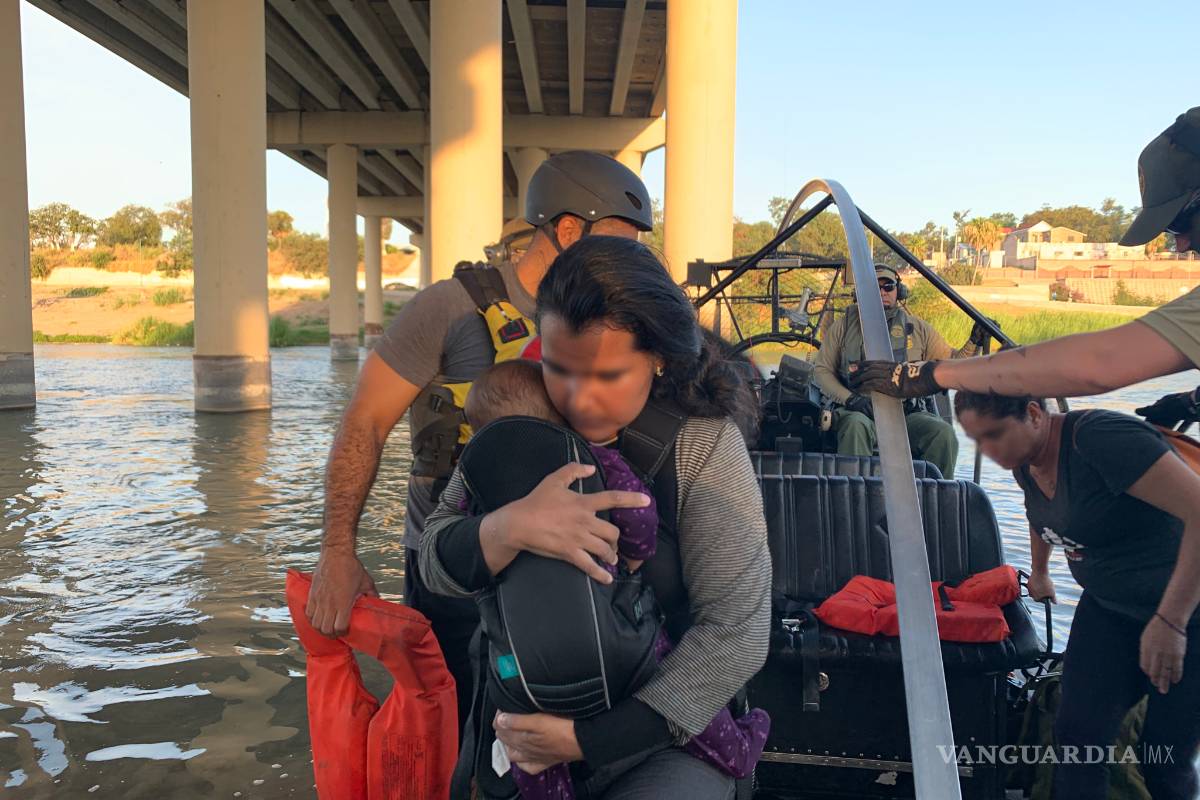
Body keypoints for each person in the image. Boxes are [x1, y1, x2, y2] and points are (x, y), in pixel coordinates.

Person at [303, 151, 654, 737]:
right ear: (569, 231)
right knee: (455, 731)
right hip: (453, 571)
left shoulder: (613, 319)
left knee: (554, 733)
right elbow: (365, 421)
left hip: (565, 574)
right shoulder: (449, 308)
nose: (629, 263)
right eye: (620, 244)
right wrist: (338, 550)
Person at [418, 235, 771, 799]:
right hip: (525, 728)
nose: (578, 400)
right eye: (558, 369)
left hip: (663, 735)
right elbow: (435, 564)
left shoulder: (703, 447)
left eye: (608, 377)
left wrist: (587, 740)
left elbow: (738, 632)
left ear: (658, 359)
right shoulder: (522, 421)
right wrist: (505, 529)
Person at [460, 359, 769, 800]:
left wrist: (494, 535)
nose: (581, 396)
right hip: (619, 638)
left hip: (527, 663)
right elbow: (638, 512)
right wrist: (634, 555)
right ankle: (736, 749)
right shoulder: (588, 460)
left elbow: (737, 635)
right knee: (666, 675)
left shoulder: (482, 476)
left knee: (529, 754)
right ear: (553, 416)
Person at [848, 108, 1200, 407]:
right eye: (1173, 230)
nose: (1182, 245)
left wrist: (928, 374)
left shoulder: (918, 329)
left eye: (1180, 222)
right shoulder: (844, 329)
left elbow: (1100, 361)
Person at [953, 391, 1200, 799]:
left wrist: (1171, 621)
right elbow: (1039, 513)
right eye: (977, 440)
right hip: (1108, 607)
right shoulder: (1024, 458)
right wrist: (1041, 571)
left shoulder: (1100, 438)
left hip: (1186, 616)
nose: (989, 451)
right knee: (1076, 739)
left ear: (1034, 414)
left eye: (994, 435)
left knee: (1165, 759)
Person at [812, 264, 987, 477]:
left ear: (899, 291)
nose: (882, 292)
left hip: (906, 414)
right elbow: (822, 372)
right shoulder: (843, 326)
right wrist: (851, 400)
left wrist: (974, 341)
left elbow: (953, 366)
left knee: (943, 434)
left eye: (888, 287)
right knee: (855, 427)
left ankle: (936, 493)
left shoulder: (918, 329)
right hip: (859, 411)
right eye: (875, 288)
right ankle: (855, 493)